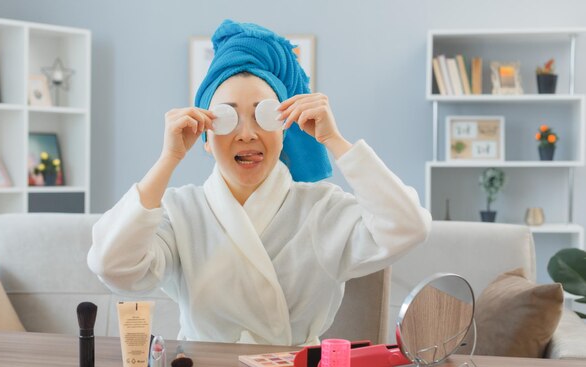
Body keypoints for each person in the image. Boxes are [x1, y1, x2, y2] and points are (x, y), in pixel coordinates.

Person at [88, 20, 431, 346]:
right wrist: (168, 159)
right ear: (205, 135)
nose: (248, 134)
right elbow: (113, 266)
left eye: (263, 114)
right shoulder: (180, 213)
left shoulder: (321, 209)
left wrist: (335, 140)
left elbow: (407, 227)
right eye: (227, 117)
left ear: (284, 130)